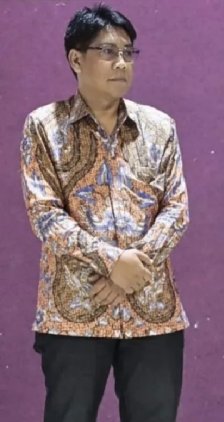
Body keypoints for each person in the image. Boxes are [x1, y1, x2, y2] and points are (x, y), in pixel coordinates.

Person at [20, 4, 190, 422]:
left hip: (152, 311)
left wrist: (132, 270)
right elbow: (45, 214)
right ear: (76, 59)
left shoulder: (159, 126)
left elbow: (177, 209)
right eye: (108, 51)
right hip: (74, 312)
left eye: (128, 52)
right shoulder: (44, 125)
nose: (121, 63)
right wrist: (114, 262)